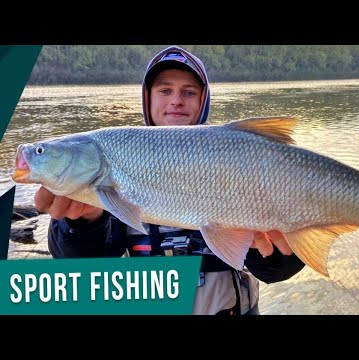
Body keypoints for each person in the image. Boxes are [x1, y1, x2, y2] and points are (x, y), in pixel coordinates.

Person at [34, 45, 305, 315]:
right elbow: (81, 269)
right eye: (165, 91)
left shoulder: (238, 160)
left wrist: (279, 248)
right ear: (147, 100)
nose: (176, 100)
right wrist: (82, 226)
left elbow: (274, 271)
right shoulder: (112, 164)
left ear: (203, 102)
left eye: (188, 92)